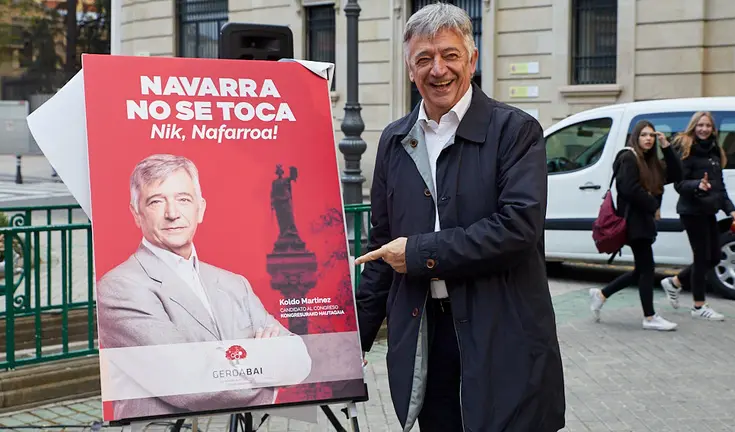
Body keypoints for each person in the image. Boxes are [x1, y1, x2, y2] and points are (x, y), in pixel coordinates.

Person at [353, 3, 565, 432]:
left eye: (450, 55)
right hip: (426, 338)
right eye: (424, 59)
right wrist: (350, 343)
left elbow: (518, 228)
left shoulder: (515, 130)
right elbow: (381, 248)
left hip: (503, 335)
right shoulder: (395, 140)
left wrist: (419, 253)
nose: (438, 70)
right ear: (410, 69)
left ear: (472, 59)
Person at [96, 153, 312, 420]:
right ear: (136, 213)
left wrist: (219, 361)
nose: (172, 214)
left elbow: (299, 359)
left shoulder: (233, 283)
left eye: (183, 200)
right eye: (156, 201)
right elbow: (188, 383)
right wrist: (261, 359)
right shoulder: (119, 288)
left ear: (201, 209)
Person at [588, 121, 683, 330]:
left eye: (651, 135)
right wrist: (652, 205)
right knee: (647, 269)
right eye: (644, 135)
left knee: (641, 270)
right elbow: (628, 188)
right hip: (633, 222)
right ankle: (649, 317)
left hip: (643, 222)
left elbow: (677, 174)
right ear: (635, 137)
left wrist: (666, 147)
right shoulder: (628, 158)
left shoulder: (650, 162)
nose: (648, 139)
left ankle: (601, 295)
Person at [658, 111, 735, 321]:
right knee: (701, 257)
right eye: (700, 125)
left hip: (709, 210)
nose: (704, 129)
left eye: (707, 126)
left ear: (713, 129)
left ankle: (674, 282)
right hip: (691, 211)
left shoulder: (715, 151)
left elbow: (720, 186)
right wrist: (697, 185)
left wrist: (731, 209)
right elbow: (679, 183)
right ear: (694, 127)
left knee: (715, 257)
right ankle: (699, 306)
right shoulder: (687, 149)